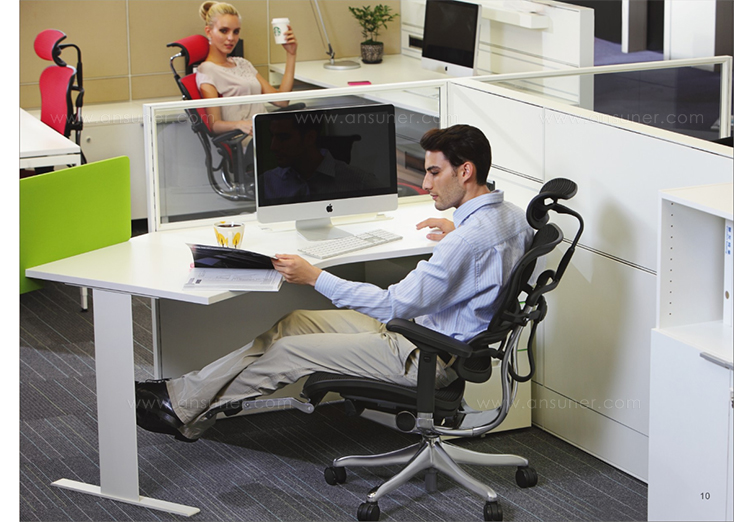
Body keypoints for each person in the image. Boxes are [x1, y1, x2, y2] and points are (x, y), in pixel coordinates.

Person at [135, 124, 534, 442]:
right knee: (293, 322)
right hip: (423, 334)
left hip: (421, 354)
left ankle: (183, 408)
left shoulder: (466, 243)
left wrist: (316, 277)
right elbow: (489, 258)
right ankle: (183, 394)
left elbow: (393, 305)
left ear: (465, 171)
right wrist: (457, 229)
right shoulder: (512, 217)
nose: (426, 185)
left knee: (289, 352)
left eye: (434, 172)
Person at [196, 1, 298, 172]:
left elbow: (281, 101)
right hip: (248, 139)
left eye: (236, 31)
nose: (231, 38)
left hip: (268, 132)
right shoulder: (207, 70)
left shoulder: (243, 63)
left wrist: (291, 54)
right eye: (224, 31)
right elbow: (214, 125)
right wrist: (239, 124)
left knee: (313, 140)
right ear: (208, 31)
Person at [261, 114, 379, 200]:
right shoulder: (266, 183)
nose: (273, 147)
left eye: (283, 138)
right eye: (272, 136)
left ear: (309, 138)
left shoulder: (359, 182)